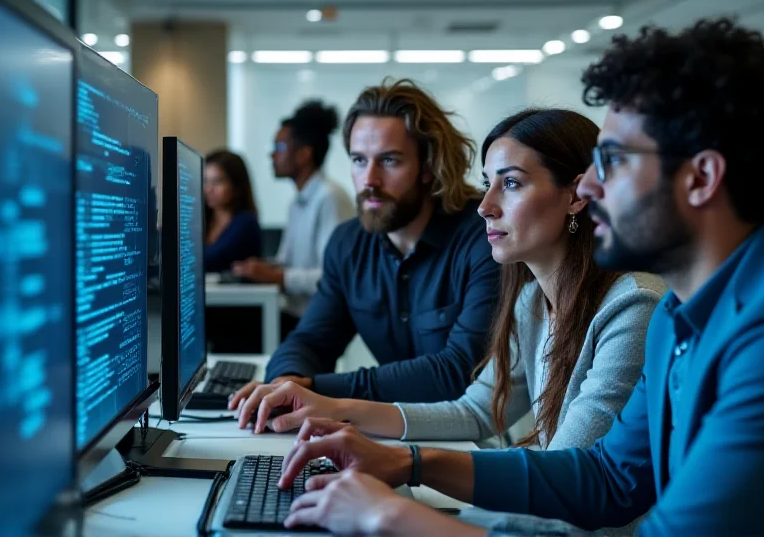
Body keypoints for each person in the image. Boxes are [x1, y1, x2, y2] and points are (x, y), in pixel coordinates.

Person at [269, 18, 764, 536]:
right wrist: (409, 463)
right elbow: (608, 479)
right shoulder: (682, 314)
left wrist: (390, 515)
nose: (589, 184)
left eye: (612, 161)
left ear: (700, 178)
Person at [245, 109, 665, 479]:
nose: (485, 205)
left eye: (512, 184)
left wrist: (407, 469)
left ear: (575, 195)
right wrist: (333, 408)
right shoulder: (532, 302)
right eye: (487, 184)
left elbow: (568, 478)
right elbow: (475, 411)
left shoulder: (632, 308)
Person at [228, 78, 500, 412]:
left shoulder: (483, 237)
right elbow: (311, 340)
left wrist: (316, 389)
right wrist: (286, 381)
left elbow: (458, 371)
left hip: (472, 441)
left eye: (389, 161)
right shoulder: (348, 244)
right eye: (359, 160)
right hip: (386, 431)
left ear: (428, 166)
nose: (369, 180)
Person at [231, 101, 355, 337]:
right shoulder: (297, 202)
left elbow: (331, 276)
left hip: (319, 321)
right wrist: (260, 268)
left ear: (304, 154)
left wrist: (275, 276)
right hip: (295, 313)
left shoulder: (330, 198)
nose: (272, 154)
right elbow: (287, 262)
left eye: (279, 146)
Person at [203, 149, 263, 272]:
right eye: (205, 181)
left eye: (217, 182)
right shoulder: (202, 220)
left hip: (234, 291)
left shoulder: (245, 222)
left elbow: (210, 260)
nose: (208, 189)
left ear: (236, 186)